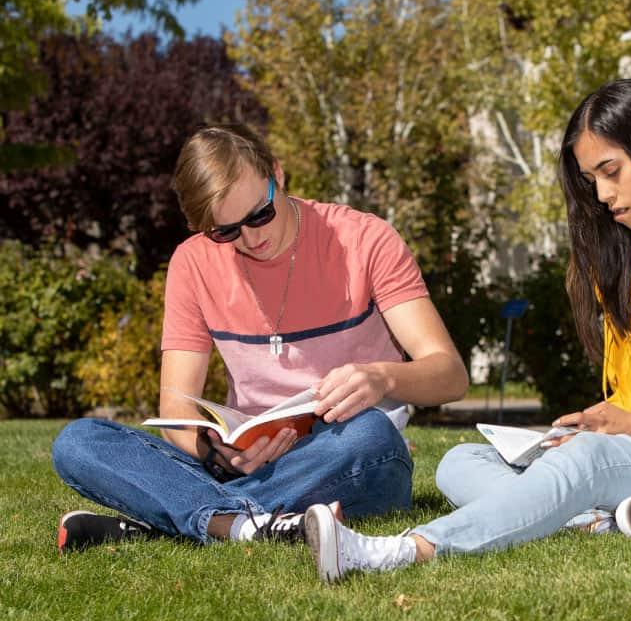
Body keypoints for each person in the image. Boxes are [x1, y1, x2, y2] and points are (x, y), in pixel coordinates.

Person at [301, 78, 631, 583]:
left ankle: (399, 550)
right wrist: (596, 425)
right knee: (463, 462)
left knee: (590, 460)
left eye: (611, 170)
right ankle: (602, 521)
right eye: (590, 180)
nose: (601, 194)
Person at [52, 123, 468, 551]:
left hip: (347, 459)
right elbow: (175, 411)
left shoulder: (365, 240)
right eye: (226, 232)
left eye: (259, 214)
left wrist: (383, 378)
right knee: (80, 443)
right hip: (243, 467)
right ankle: (252, 524)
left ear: (277, 174)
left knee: (371, 434)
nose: (252, 239)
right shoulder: (192, 264)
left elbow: (450, 375)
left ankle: (184, 521)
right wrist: (215, 454)